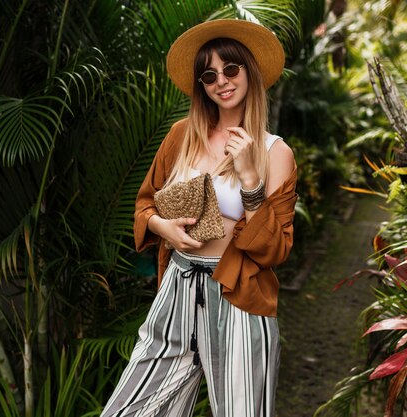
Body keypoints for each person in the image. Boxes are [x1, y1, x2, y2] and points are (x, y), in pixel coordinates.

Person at [100, 18, 297, 417]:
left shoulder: (276, 152)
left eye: (231, 69)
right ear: (201, 85)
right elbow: (144, 205)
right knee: (132, 408)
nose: (221, 81)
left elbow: (275, 249)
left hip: (239, 296)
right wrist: (163, 228)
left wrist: (249, 178)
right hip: (178, 286)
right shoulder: (181, 135)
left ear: (249, 71)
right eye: (209, 75)